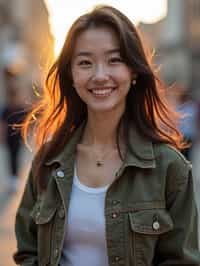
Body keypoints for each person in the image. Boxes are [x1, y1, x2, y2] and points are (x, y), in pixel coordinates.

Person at [14, 5, 200, 266]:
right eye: (85, 63)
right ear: (71, 74)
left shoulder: (170, 167)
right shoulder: (47, 161)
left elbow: (182, 260)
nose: (100, 76)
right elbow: (27, 251)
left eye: (115, 60)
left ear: (133, 71)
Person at [0, 69, 26, 192]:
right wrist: (2, 136)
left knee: (17, 156)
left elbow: (26, 123)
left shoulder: (21, 108)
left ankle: (15, 178)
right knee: (11, 156)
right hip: (10, 137)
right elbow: (3, 124)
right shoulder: (6, 109)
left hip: (18, 137)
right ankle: (12, 178)